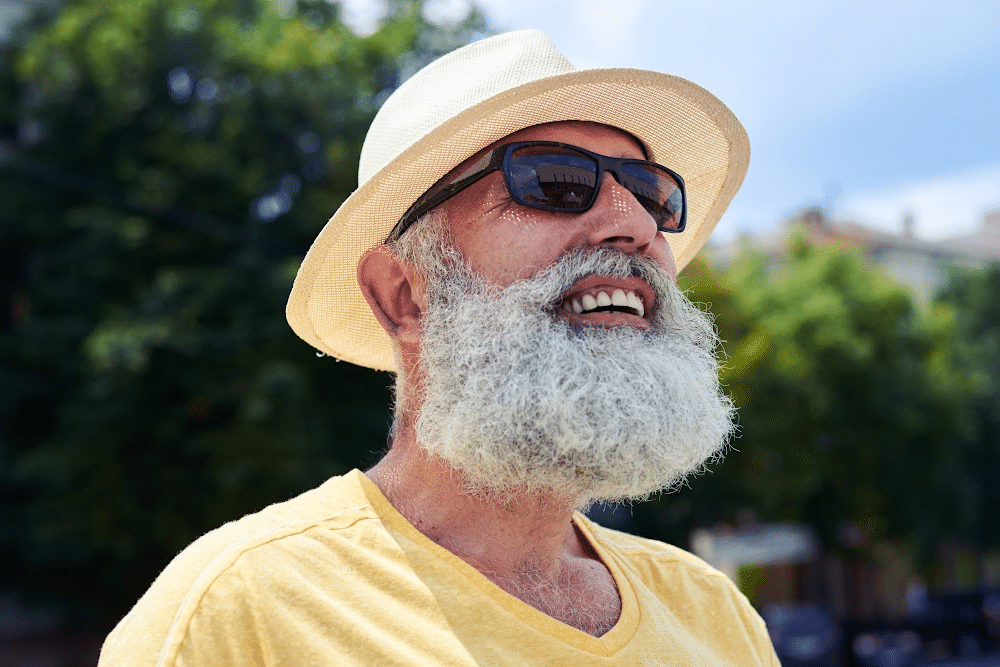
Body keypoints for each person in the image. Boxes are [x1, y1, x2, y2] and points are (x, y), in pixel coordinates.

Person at [99, 30, 776, 666]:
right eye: (553, 180)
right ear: (404, 294)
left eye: (651, 194)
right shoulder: (233, 613)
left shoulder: (716, 615)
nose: (633, 224)